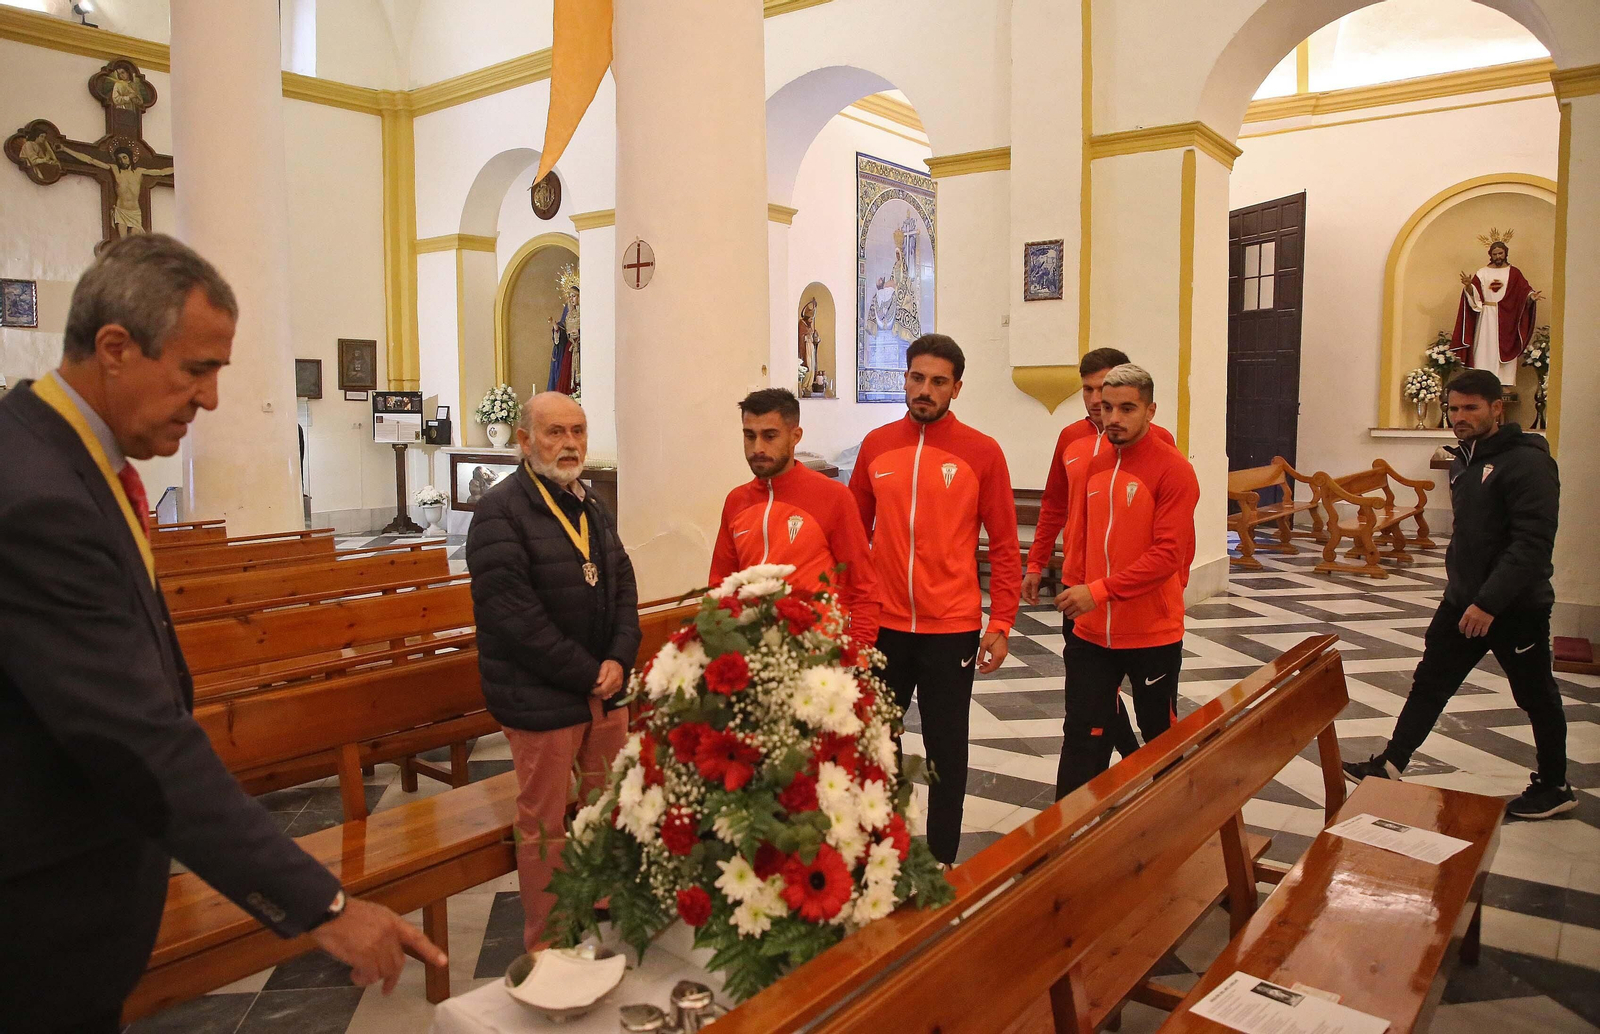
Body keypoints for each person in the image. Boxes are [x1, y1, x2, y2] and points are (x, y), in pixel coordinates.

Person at [0, 234, 444, 1034]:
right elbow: (137, 739)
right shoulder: (36, 494)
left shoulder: (65, 461)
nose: (209, 400)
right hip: (37, 924)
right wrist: (325, 904)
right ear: (114, 347)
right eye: (196, 369)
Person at [1343, 370, 1573, 819]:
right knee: (1431, 682)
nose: (1460, 417)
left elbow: (1531, 544)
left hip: (1514, 607)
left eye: (1471, 408)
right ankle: (1392, 763)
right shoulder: (1465, 457)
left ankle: (1555, 785)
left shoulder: (1528, 463)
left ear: (1497, 409)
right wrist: (1464, 595)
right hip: (1462, 601)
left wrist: (1488, 603)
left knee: (1536, 694)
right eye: (1453, 408)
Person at [466, 391, 641, 950]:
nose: (569, 444)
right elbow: (515, 618)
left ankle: (607, 910)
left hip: (603, 690)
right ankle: (549, 939)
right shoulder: (499, 513)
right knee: (545, 824)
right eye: (554, 432)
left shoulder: (590, 504)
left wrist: (618, 658)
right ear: (524, 441)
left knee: (607, 807)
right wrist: (591, 672)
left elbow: (622, 587)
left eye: (578, 432)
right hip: (540, 698)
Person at [849, 334, 1021, 865]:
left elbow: (1006, 545)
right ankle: (885, 848)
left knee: (948, 745)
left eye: (938, 381)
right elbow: (853, 537)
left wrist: (1003, 622)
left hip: (952, 627)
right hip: (885, 626)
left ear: (957, 387)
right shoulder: (876, 445)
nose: (925, 390)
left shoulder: (982, 452)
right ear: (904, 379)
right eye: (917, 378)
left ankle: (944, 855)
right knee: (879, 742)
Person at [1023, 347, 1178, 765]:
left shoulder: (1161, 447)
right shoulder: (1072, 440)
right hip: (1080, 590)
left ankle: (1148, 771)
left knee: (1156, 718)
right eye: (1089, 391)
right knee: (1090, 707)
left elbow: (1175, 535)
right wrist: (1037, 562)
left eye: (1107, 394)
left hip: (1138, 598)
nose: (1097, 403)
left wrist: (1171, 589)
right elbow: (1055, 504)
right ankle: (1124, 761)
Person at [1054, 364, 1200, 798]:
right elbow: (1080, 536)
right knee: (1082, 734)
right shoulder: (1096, 464)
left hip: (1152, 633)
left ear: (1150, 410)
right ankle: (1063, 844)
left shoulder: (1173, 470)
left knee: (1159, 735)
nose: (1113, 417)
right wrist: (1074, 584)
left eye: (1127, 408)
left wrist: (1096, 591)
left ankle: (1164, 826)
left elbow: (1167, 556)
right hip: (1093, 632)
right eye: (1106, 408)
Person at [710, 388, 880, 647]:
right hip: (751, 656)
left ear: (795, 436)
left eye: (769, 436)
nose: (758, 448)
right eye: (749, 436)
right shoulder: (736, 502)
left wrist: (858, 654)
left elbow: (861, 586)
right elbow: (720, 585)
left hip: (817, 654)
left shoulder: (833, 497)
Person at [1449, 238, 1542, 387]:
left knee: (1504, 352)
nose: (1498, 256)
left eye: (1500, 253)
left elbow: (1524, 290)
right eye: (1495, 254)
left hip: (1508, 319)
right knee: (1484, 349)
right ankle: (1481, 384)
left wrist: (1531, 296)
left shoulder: (1514, 273)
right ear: (1490, 255)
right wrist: (1468, 287)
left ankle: (1503, 384)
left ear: (1506, 254)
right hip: (1486, 316)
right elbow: (1475, 294)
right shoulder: (1483, 272)